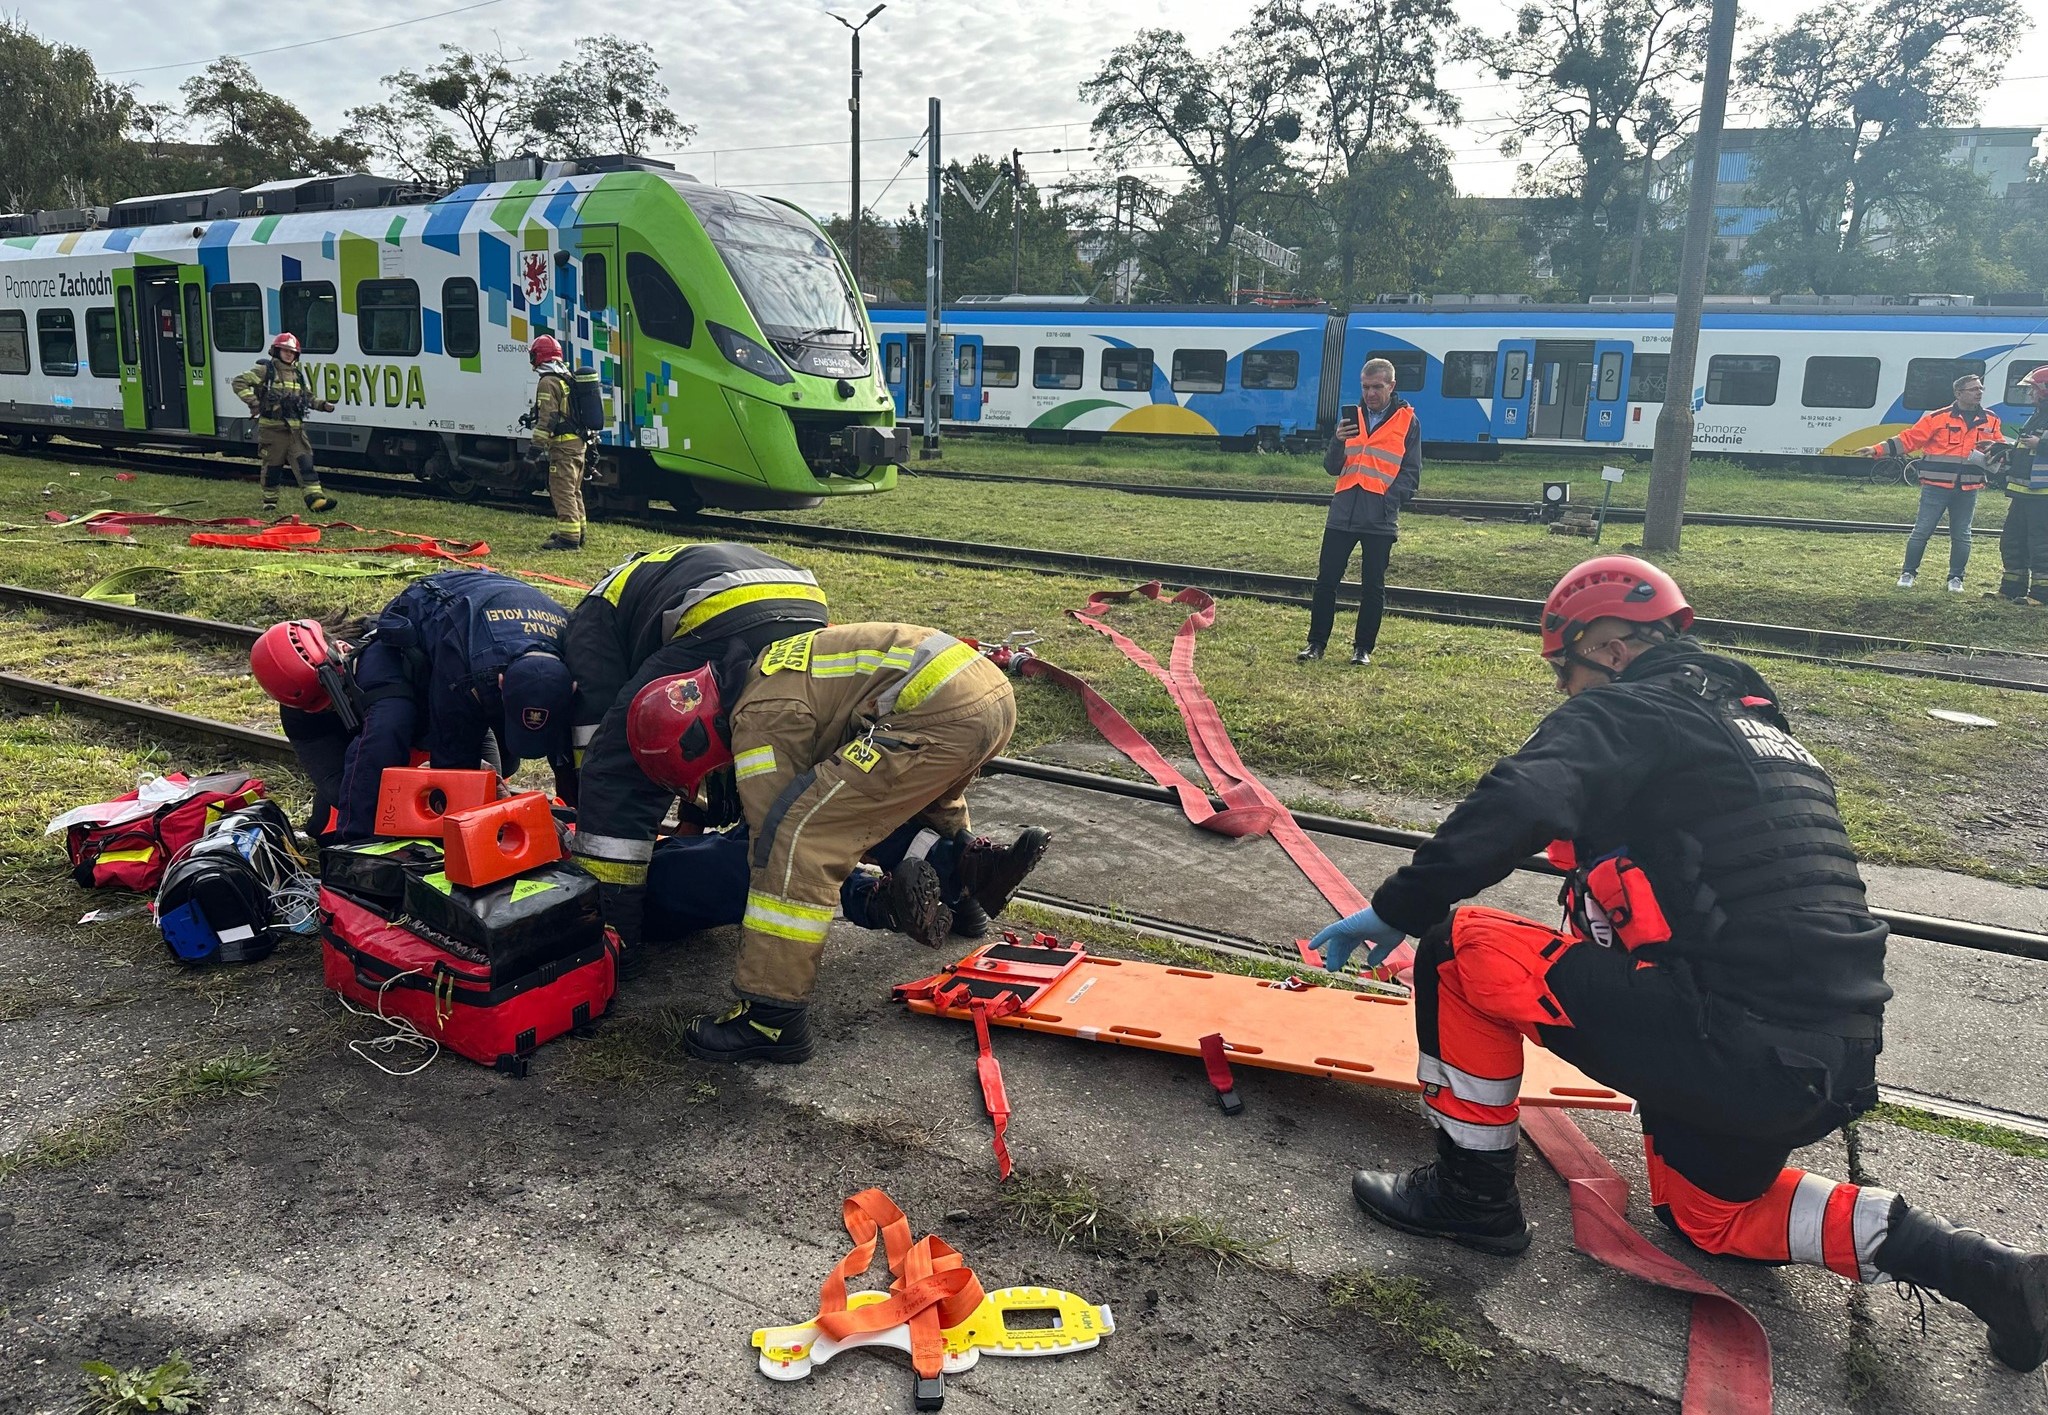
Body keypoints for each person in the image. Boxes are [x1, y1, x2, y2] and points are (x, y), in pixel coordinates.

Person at [1308, 554, 2048, 1372]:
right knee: (1711, 1218)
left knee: (1457, 948)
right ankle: (1985, 1270)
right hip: (1826, 1060)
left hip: (1729, 1035)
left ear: (1615, 646)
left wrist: (1398, 906)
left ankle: (1468, 1198)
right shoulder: (1765, 736)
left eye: (1566, 666)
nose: (1563, 689)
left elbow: (1522, 798)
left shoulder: (1637, 709)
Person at [622, 623, 1051, 1064]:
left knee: (797, 837)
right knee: (871, 800)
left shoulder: (755, 720)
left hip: (935, 710)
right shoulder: (768, 677)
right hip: (984, 693)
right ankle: (967, 881)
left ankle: (771, 1019)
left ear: (698, 740)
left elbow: (772, 839)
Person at [250, 571, 573, 841]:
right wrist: (359, 843)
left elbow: (460, 752)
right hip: (378, 757)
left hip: (442, 702)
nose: (331, 708)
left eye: (335, 697)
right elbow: (343, 778)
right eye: (322, 707)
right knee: (328, 823)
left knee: (483, 780)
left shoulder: (407, 666)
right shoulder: (303, 708)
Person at [1298, 357, 1421, 667]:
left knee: (1372, 588)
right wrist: (1337, 442)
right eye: (1366, 387)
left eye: (1377, 387)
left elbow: (1411, 473)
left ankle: (1362, 649)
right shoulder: (1350, 419)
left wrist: (1388, 502)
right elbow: (1331, 467)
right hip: (1342, 514)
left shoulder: (1408, 422)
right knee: (1326, 581)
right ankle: (1316, 644)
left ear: (1391, 386)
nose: (1370, 394)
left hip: (1379, 518)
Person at [1863, 372, 2003, 592]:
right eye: (1974, 389)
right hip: (1936, 485)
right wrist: (1877, 450)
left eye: (1981, 389)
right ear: (1958, 393)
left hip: (1968, 486)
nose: (1980, 392)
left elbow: (1998, 446)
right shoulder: (1938, 417)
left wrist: (1999, 452)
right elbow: (1910, 439)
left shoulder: (1991, 420)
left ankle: (1956, 579)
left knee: (1962, 534)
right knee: (1922, 531)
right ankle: (1908, 573)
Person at [231, 332, 338, 515]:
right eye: (285, 351)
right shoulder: (265, 370)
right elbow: (238, 382)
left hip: (295, 431)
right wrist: (253, 402)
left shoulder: (298, 375)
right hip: (273, 430)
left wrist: (323, 405)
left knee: (305, 463)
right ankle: (270, 502)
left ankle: (315, 500)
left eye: (293, 352)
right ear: (276, 351)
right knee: (273, 466)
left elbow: (307, 397)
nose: (289, 355)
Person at [527, 335, 587, 552]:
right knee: (574, 490)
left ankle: (569, 539)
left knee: (561, 490)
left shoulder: (547, 381)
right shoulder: (566, 377)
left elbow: (548, 419)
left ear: (538, 356)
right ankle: (578, 532)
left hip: (563, 446)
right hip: (578, 443)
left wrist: (534, 449)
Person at [1996, 366, 2048, 605]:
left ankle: (2041, 594)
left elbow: (2038, 446)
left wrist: (2041, 444)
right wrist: (2004, 452)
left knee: (2041, 544)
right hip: (2023, 492)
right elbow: (2026, 448)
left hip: (2043, 495)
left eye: (2033, 389)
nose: (2030, 395)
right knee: (2013, 540)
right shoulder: (2037, 414)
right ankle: (2011, 588)